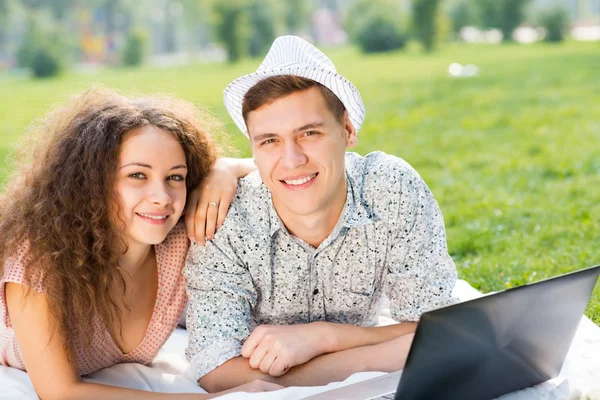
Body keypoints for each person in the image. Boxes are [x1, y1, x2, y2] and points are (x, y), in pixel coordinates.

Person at [184, 35, 458, 393]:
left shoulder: (391, 189)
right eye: (270, 141)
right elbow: (215, 368)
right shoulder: (226, 218)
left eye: (309, 133)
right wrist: (369, 358)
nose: (292, 159)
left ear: (347, 130)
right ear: (253, 147)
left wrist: (321, 338)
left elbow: (436, 329)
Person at [0, 87, 281, 399]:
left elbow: (286, 170)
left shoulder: (178, 240)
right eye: (137, 176)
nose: (161, 197)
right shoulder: (41, 257)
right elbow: (62, 392)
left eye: (175, 177)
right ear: (90, 184)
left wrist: (225, 169)